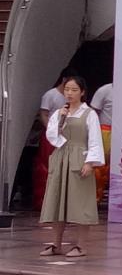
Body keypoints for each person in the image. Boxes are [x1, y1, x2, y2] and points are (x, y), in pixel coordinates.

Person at [38, 76, 105, 258]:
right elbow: (52, 135)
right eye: (67, 89)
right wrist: (61, 119)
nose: (69, 93)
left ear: (82, 92)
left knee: (81, 202)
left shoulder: (89, 114)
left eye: (74, 90)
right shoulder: (60, 113)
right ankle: (56, 244)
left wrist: (90, 162)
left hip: (79, 158)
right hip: (61, 157)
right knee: (57, 201)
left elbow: (95, 139)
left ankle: (81, 245)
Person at [33, 67, 79, 210]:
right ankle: (42, 201)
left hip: (66, 135)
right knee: (46, 166)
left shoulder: (70, 96)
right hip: (51, 135)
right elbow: (43, 114)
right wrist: (52, 130)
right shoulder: (50, 95)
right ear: (64, 79)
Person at [90, 82, 113, 203]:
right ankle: (97, 198)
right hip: (105, 130)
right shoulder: (104, 90)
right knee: (101, 167)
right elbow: (93, 112)